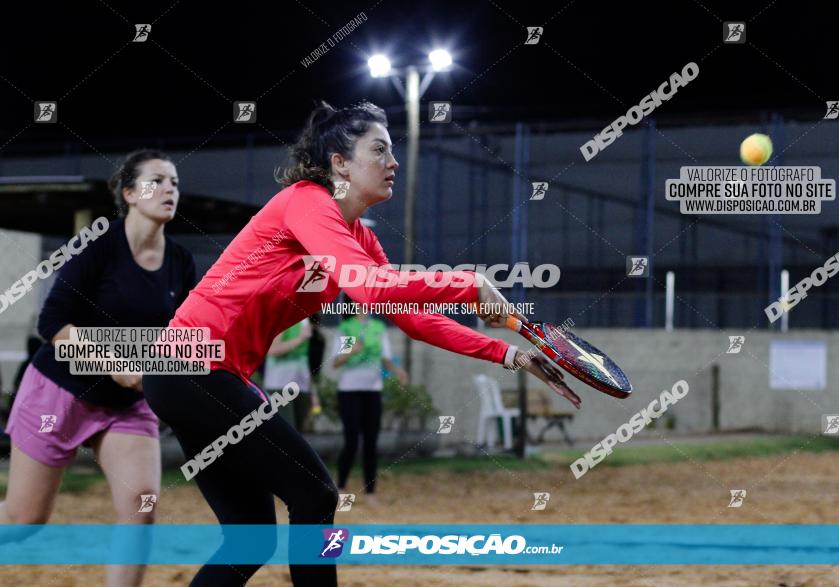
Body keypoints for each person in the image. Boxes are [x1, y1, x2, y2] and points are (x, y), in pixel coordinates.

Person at [142, 100, 579, 587]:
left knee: (252, 539)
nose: (393, 162)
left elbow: (411, 318)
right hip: (192, 368)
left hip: (198, 375)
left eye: (393, 151)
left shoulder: (360, 242)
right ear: (340, 163)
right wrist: (470, 283)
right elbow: (373, 287)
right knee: (315, 494)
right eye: (380, 150)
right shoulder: (306, 201)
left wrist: (510, 353)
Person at [0, 149, 196, 587]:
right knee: (23, 519)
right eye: (157, 181)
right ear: (129, 193)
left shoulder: (180, 262)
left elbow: (185, 335)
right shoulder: (97, 248)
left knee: (142, 505)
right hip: (60, 391)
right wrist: (117, 364)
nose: (169, 189)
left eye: (175, 183)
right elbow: (52, 322)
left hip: (128, 404)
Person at [333, 303, 407, 498]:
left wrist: (397, 371)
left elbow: (385, 357)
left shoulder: (378, 328)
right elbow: (335, 362)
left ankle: (370, 492)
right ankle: (340, 487)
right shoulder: (346, 327)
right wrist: (352, 350)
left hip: (372, 391)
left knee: (371, 443)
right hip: (349, 390)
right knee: (351, 442)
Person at [265, 318, 321, 430]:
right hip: (280, 386)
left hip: (301, 386)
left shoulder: (305, 321)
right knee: (287, 434)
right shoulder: (284, 317)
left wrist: (313, 393)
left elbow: (303, 361)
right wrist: (300, 339)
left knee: (299, 433)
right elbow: (272, 350)